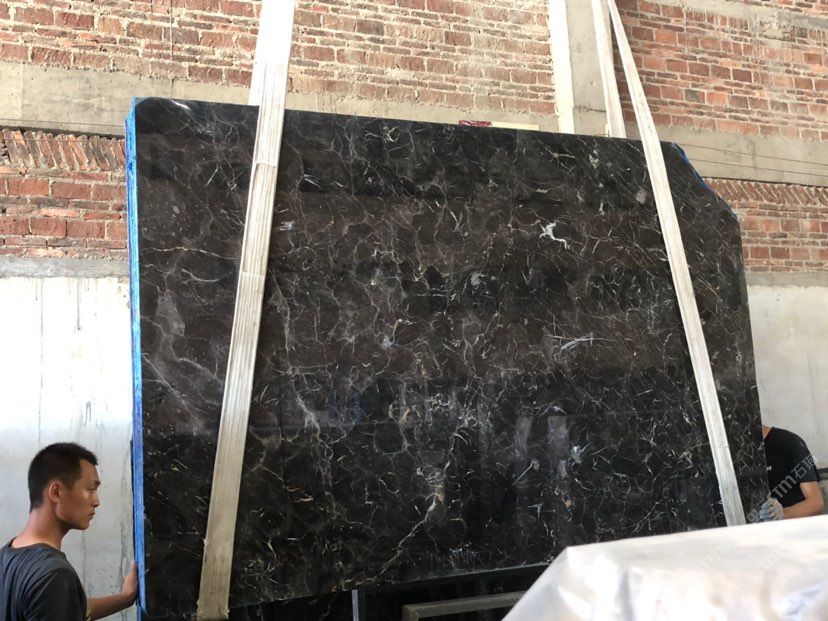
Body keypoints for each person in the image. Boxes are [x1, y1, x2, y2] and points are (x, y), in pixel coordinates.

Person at [0, 443, 138, 620]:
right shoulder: (53, 575)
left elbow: (63, 606)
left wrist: (125, 598)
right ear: (56, 492)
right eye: (91, 489)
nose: (96, 501)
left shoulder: (6, 556)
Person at [760, 425, 824, 521]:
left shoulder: (790, 443)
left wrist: (782, 513)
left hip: (795, 526)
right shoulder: (738, 452)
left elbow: (816, 503)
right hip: (755, 527)